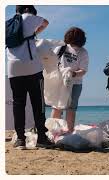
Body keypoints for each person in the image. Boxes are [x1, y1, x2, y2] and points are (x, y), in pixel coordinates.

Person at [6, 5, 53, 149]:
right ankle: (42, 138)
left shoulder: (7, 24)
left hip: (13, 68)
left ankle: (20, 139)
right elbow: (46, 22)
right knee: (38, 103)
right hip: (32, 67)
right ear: (27, 9)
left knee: (18, 103)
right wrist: (35, 32)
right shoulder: (29, 17)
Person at [51, 27, 89, 133]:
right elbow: (52, 61)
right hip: (60, 81)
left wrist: (73, 74)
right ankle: (53, 131)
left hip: (76, 83)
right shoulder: (61, 48)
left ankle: (69, 131)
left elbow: (83, 70)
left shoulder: (83, 52)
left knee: (71, 108)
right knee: (57, 106)